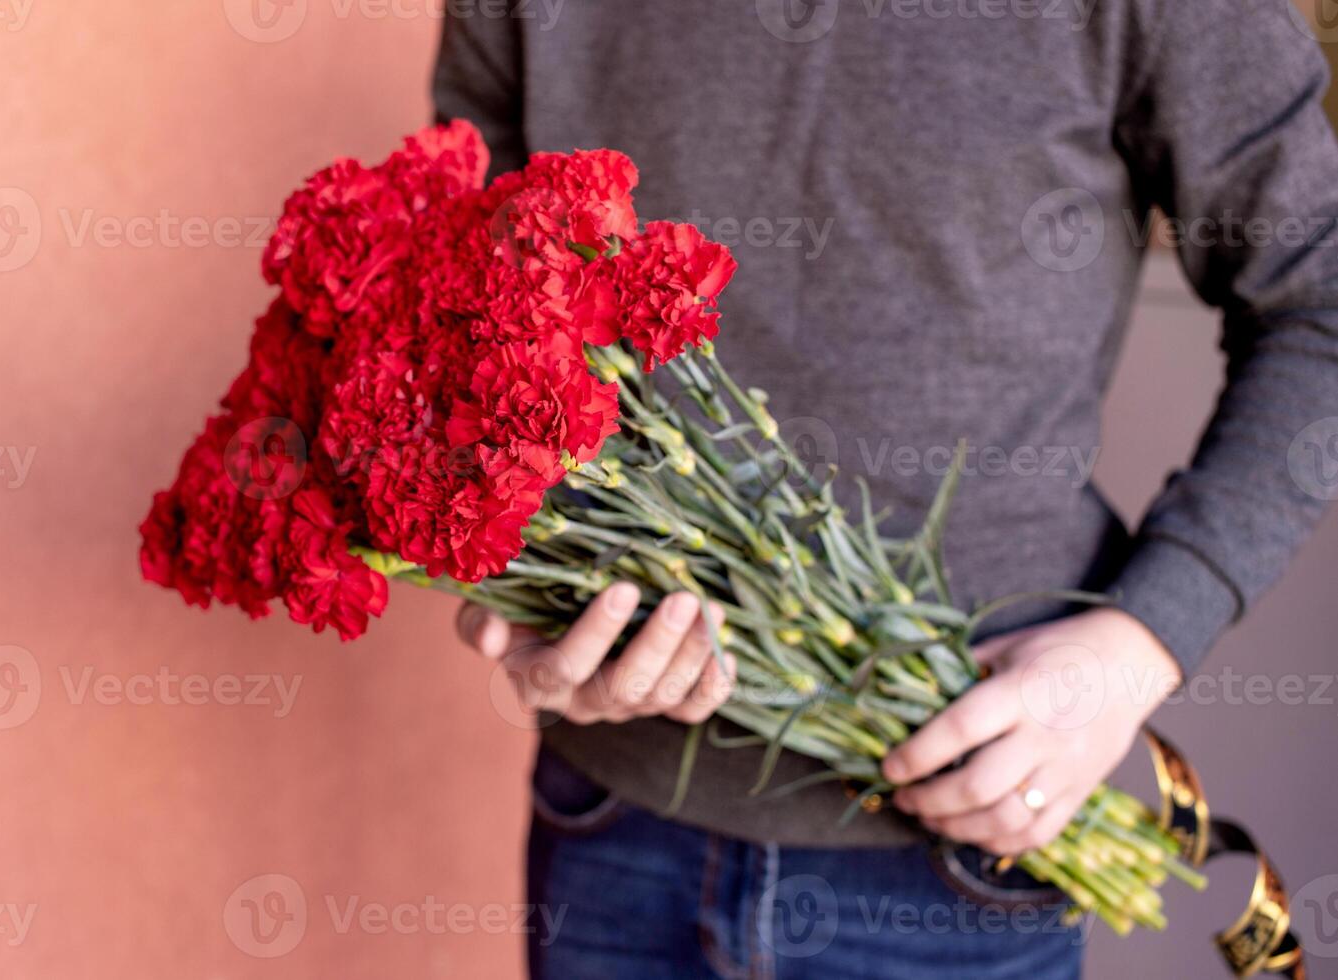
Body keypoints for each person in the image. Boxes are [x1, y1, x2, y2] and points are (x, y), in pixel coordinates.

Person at [434, 1, 1338, 976]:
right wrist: (514, 589)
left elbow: (1321, 301)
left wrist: (1145, 636)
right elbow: (466, 313)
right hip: (611, 826)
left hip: (963, 849)